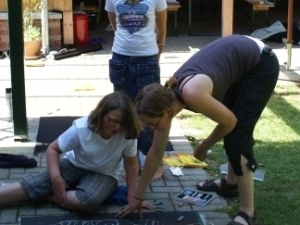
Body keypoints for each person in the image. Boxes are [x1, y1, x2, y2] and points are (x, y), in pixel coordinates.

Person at [116, 34, 279, 225]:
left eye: (151, 124)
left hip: (260, 63)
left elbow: (230, 122)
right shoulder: (166, 99)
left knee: (237, 139)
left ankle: (247, 213)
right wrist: (137, 198)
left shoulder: (191, 93)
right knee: (233, 133)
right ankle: (231, 183)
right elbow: (155, 152)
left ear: (167, 112)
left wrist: (203, 146)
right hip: (241, 58)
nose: (151, 129)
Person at [0, 92, 154, 212]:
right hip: (75, 163)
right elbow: (52, 149)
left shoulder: (128, 132)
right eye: (112, 120)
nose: (116, 127)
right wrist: (55, 178)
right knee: (37, 183)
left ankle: (43, 195)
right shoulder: (81, 128)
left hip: (105, 174)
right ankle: (31, 191)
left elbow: (131, 164)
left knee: (87, 202)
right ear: (101, 115)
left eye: (122, 123)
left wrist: (133, 197)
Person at [105, 0, 168, 181]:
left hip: (147, 59)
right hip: (120, 60)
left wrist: (159, 48)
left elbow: (162, 27)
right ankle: (134, 163)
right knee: (124, 113)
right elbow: (114, 22)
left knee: (149, 114)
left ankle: (156, 162)